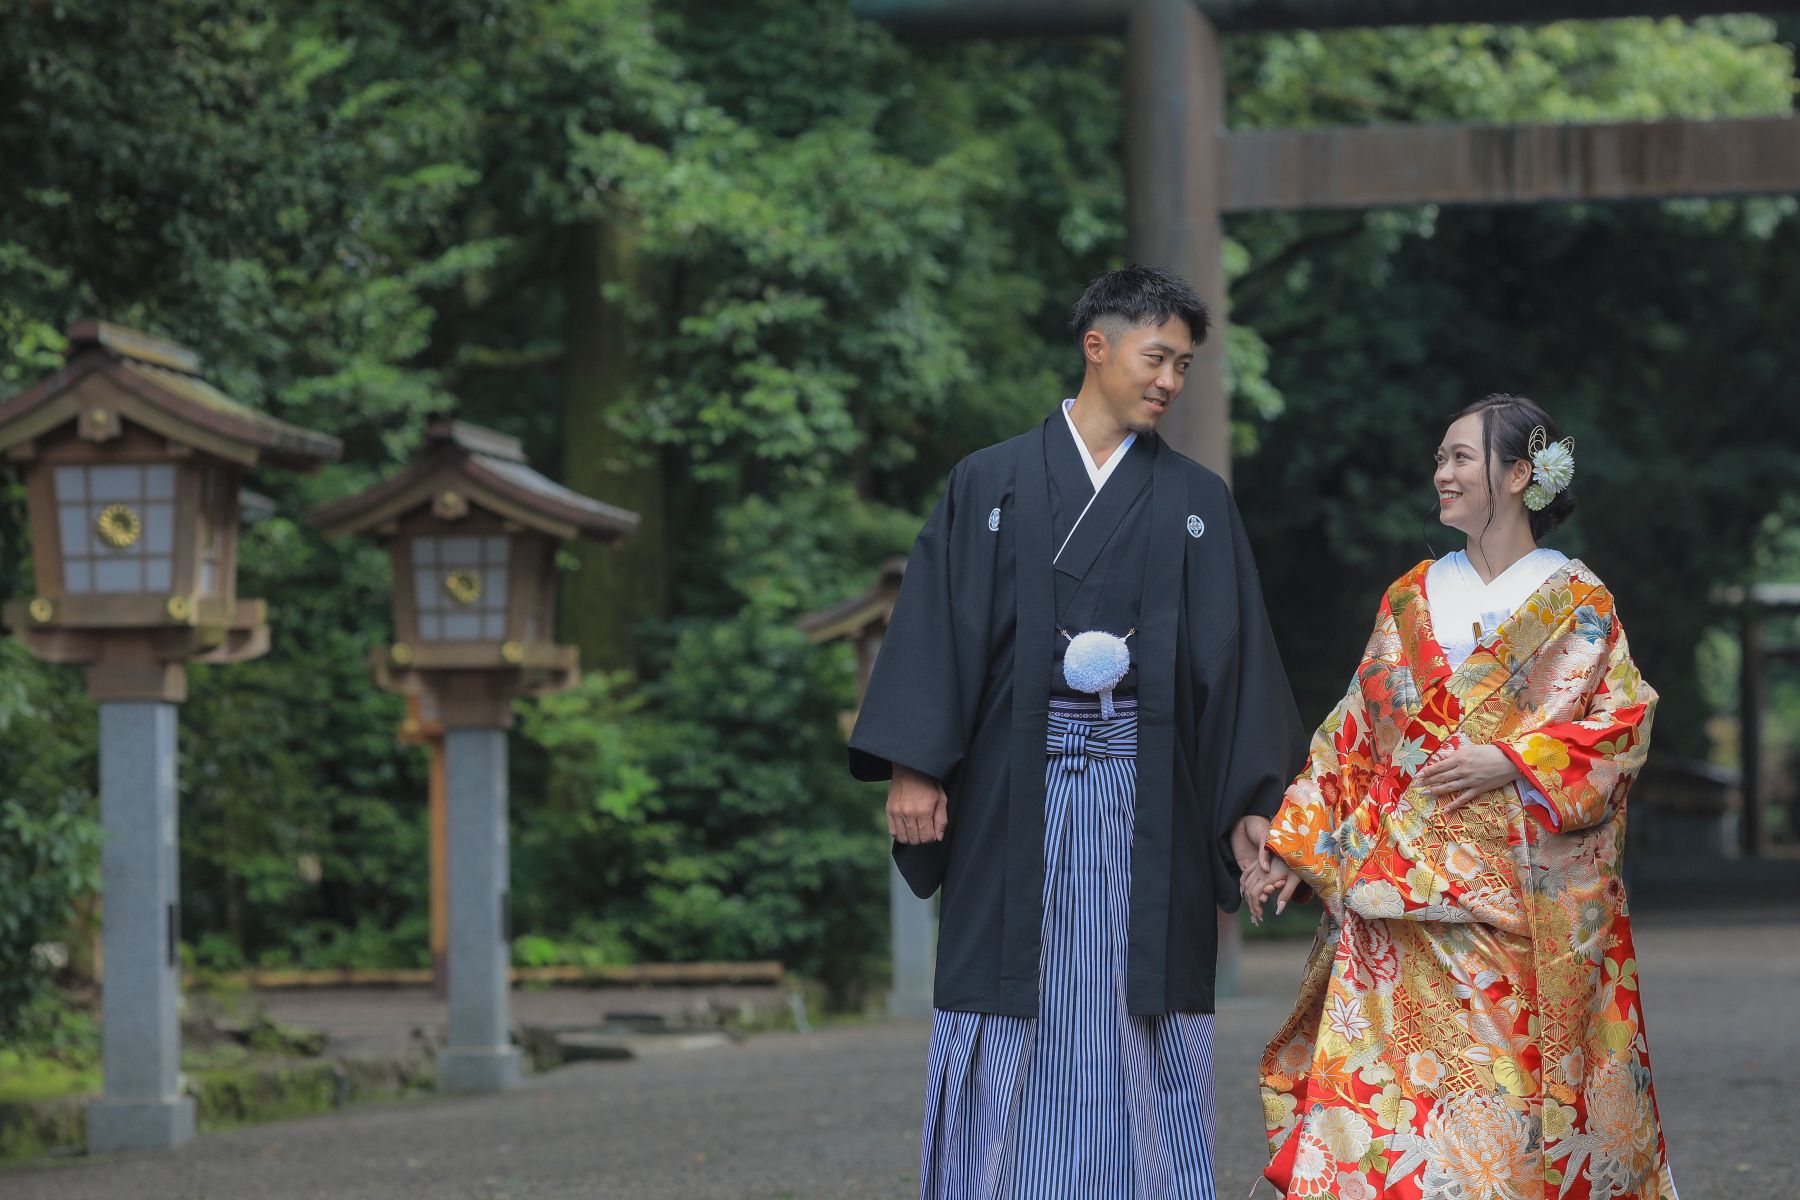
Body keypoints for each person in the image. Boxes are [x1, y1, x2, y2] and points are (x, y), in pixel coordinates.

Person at [847, 264, 1306, 1199]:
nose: (1171, 380)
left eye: (1183, 365)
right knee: (1011, 1001)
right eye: (1157, 357)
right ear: (1095, 346)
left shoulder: (1195, 502)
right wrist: (915, 767)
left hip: (1150, 802)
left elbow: (1234, 661)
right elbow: (937, 626)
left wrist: (1256, 806)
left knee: (1140, 1010)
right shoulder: (991, 481)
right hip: (1016, 797)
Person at [1242, 394, 1676, 1199]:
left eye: (1461, 459)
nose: (1441, 473)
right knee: (1383, 1128)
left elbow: (1624, 724)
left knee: (1501, 1130)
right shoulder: (1410, 598)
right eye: (1440, 459)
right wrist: (1293, 846)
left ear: (1519, 475)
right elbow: (1354, 734)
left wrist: (1514, 759)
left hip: (1515, 906)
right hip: (1393, 903)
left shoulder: (1580, 603)